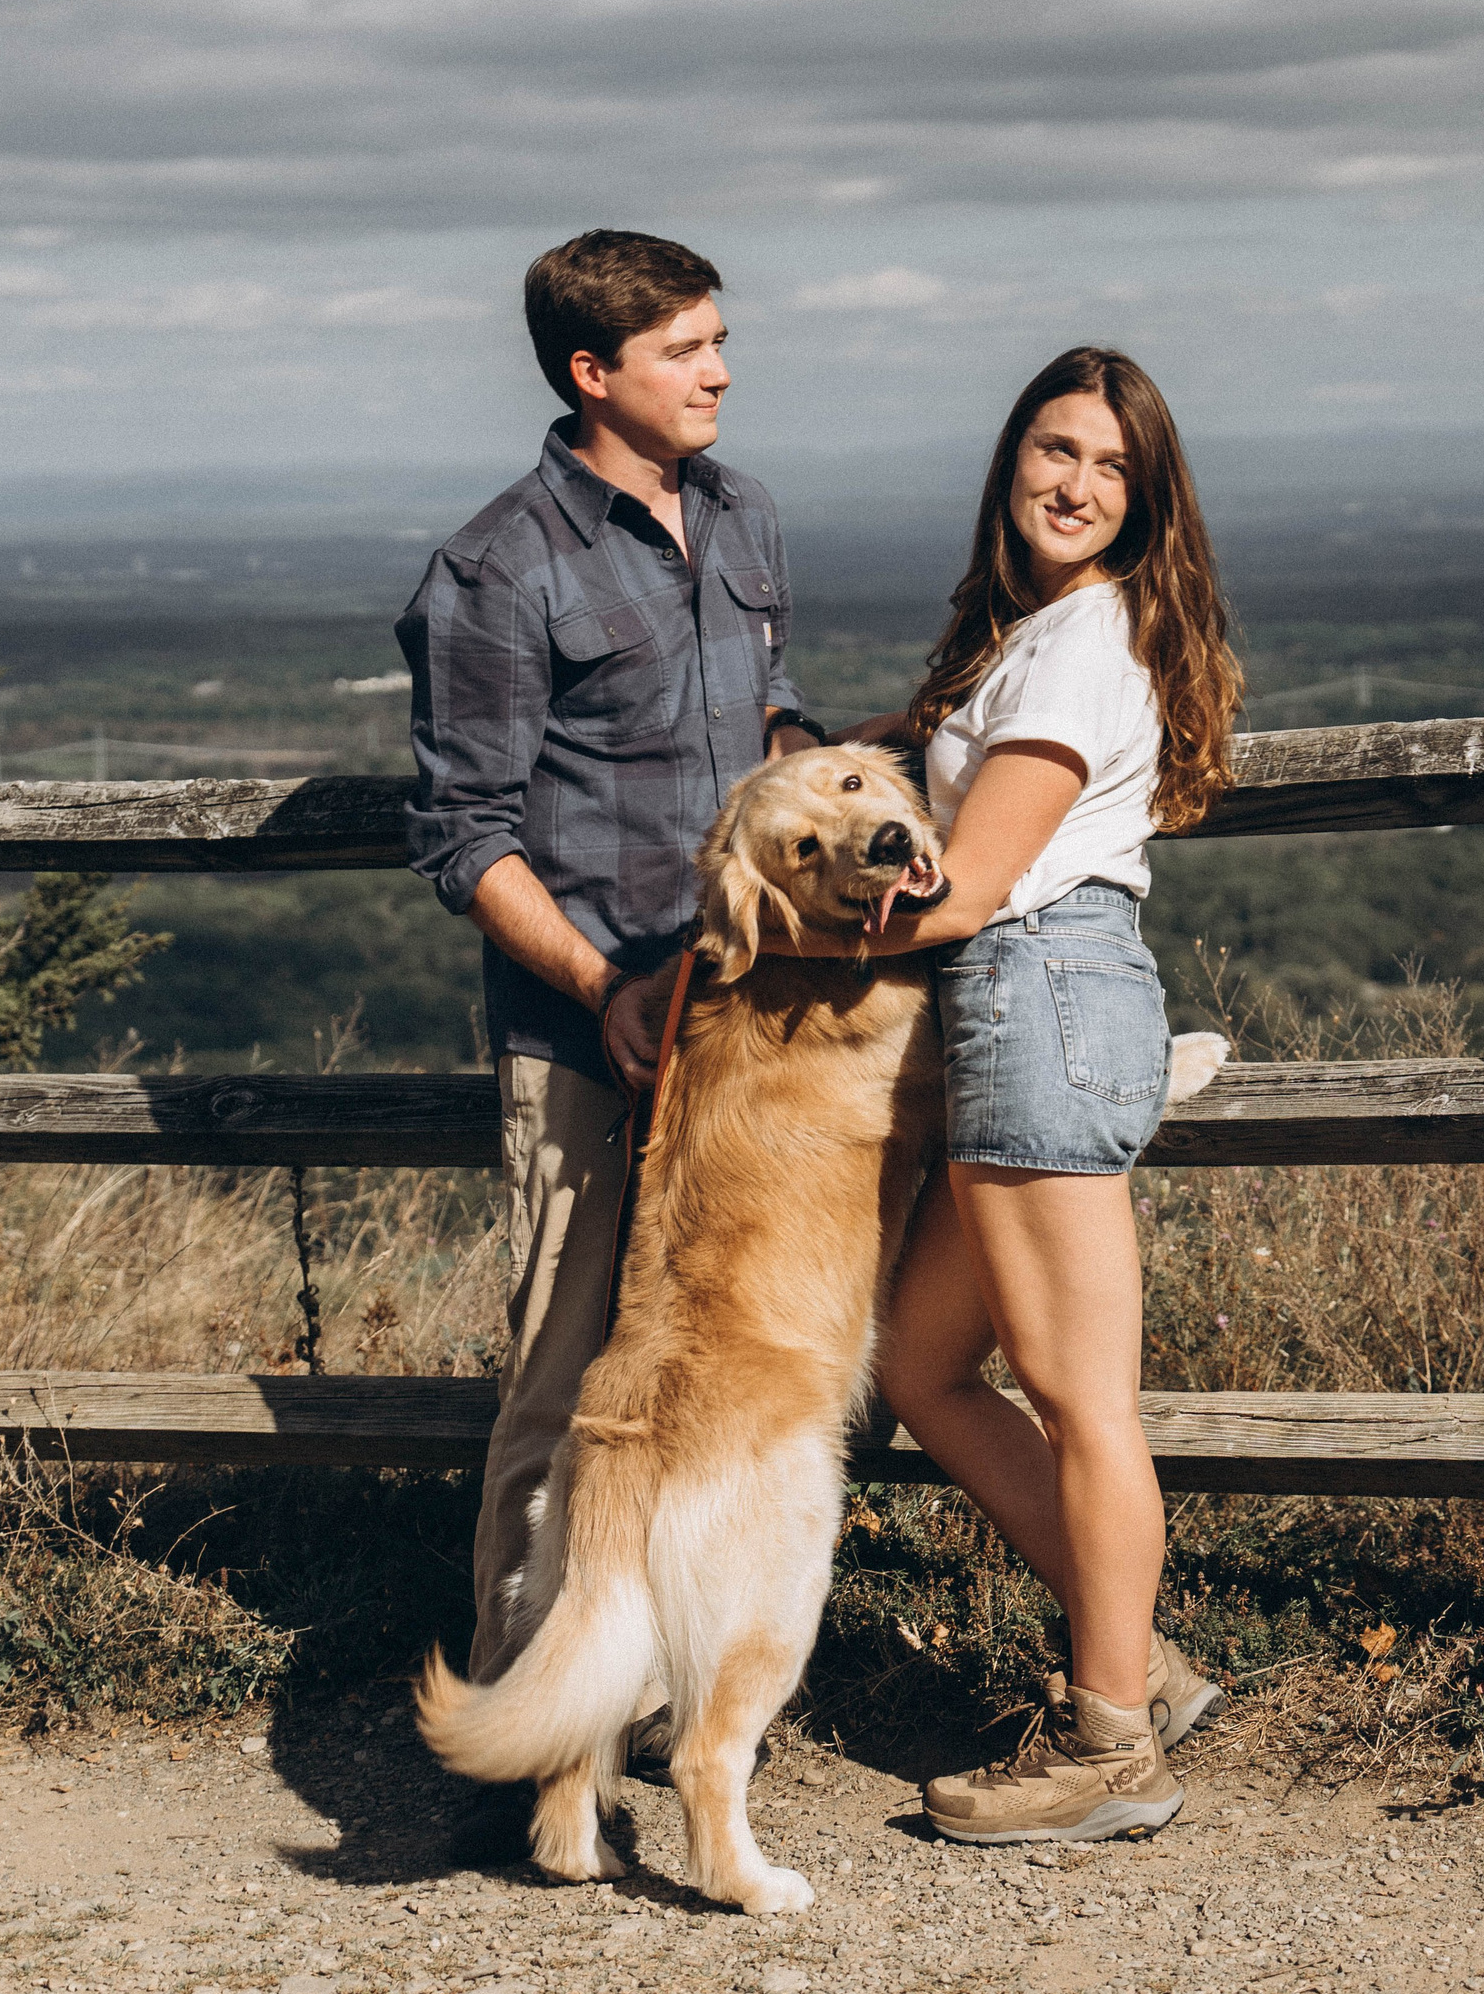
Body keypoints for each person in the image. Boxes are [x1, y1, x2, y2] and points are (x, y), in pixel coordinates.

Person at [774, 344, 1244, 1842]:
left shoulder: (1078, 647)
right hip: (1020, 1010)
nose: (1077, 484)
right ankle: (1139, 1666)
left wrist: (769, 933)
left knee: (1085, 1401)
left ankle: (1109, 1746)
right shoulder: (1029, 637)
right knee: (918, 1367)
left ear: (1145, 499)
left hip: (1040, 988)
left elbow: (970, 890)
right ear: (1012, 462)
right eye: (1057, 451)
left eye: (1113, 468)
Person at [397, 230, 821, 1858]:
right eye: (686, 350)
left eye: (720, 342)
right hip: (587, 1039)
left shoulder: (742, 516)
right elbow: (465, 833)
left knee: (722, 1381)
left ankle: (659, 1698)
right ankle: (526, 1733)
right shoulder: (497, 569)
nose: (720, 371)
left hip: (749, 1045)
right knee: (569, 1384)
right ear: (594, 375)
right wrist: (605, 987)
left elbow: (771, 735)